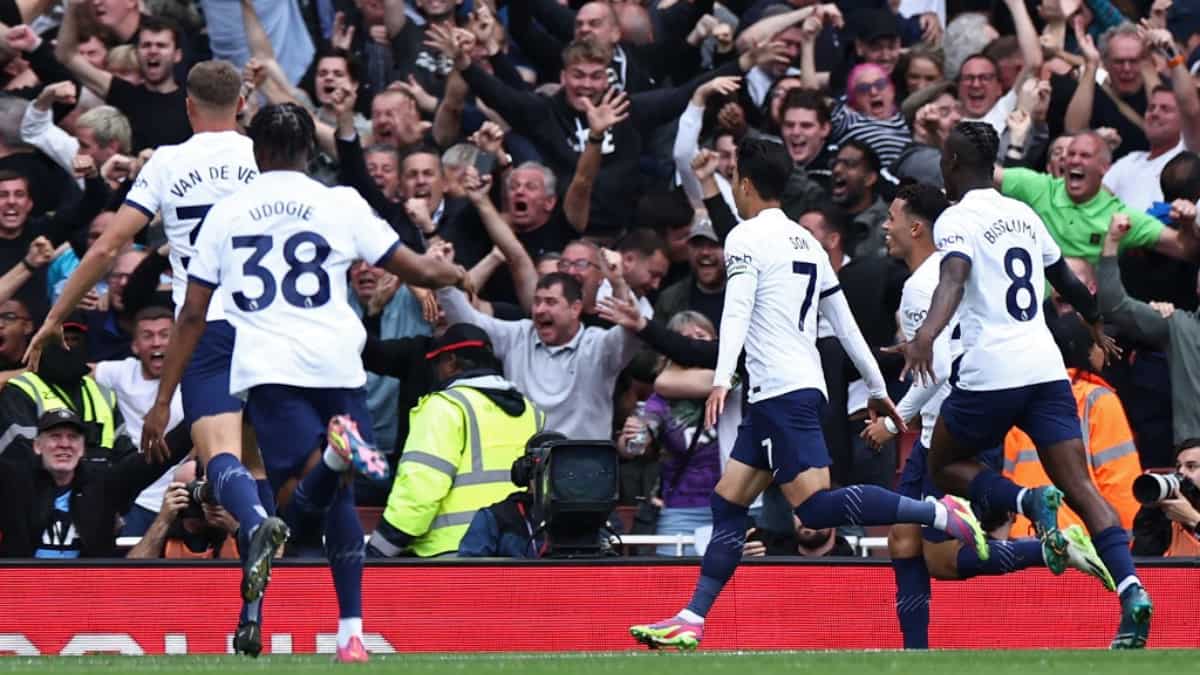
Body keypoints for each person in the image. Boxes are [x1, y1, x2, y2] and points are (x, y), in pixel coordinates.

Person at [627, 138, 986, 651]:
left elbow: (737, 309)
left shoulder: (747, 238)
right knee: (728, 502)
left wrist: (723, 375)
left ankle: (939, 514)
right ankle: (692, 616)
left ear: (744, 185)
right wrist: (879, 387)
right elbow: (843, 324)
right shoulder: (807, 243)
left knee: (815, 510)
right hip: (792, 388)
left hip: (778, 390)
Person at [142, 102, 469, 663]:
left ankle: (336, 463)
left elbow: (194, 314)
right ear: (308, 154)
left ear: (257, 152)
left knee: (293, 507)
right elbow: (413, 267)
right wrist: (452, 272)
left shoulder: (226, 213)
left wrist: (165, 396)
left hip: (270, 368)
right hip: (339, 361)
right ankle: (351, 633)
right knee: (333, 493)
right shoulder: (339, 202)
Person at [22, 60, 271, 657]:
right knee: (265, 476)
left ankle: (256, 586)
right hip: (277, 328)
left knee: (224, 467)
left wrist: (56, 315)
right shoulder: (264, 155)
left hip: (210, 328)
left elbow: (110, 245)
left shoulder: (165, 162)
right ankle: (266, 613)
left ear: (188, 106)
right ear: (240, 103)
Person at [892, 121, 1152, 649]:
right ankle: (1131, 591)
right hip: (1044, 366)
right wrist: (1096, 325)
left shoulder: (957, 219)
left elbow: (954, 277)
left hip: (991, 370)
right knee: (1083, 488)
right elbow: (1066, 281)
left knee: (943, 464)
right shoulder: (1023, 214)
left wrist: (925, 335)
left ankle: (1029, 501)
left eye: (945, 157)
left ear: (955, 164)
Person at [863, 182, 1112, 650]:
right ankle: (914, 653)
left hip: (949, 431)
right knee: (902, 540)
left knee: (940, 559)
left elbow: (943, 366)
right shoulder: (946, 272)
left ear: (916, 227)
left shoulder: (925, 288)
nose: (885, 226)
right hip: (940, 431)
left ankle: (1048, 550)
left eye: (892, 218)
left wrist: (894, 419)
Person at [368, 324, 544, 557]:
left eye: (437, 363)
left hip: (453, 555)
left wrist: (380, 548)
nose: (435, 372)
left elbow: (420, 489)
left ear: (450, 362)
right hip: (520, 552)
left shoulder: (445, 408)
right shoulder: (531, 412)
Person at [0, 408, 183, 558]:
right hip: (21, 593)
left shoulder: (104, 484)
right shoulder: (14, 481)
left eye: (73, 437)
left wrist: (199, 415)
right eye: (55, 436)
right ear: (37, 446)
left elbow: (159, 457)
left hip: (88, 594)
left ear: (83, 449)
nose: (64, 444)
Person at [1131, 440, 1200, 556]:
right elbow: (1143, 562)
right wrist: (1150, 514)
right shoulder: (1172, 517)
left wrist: (1193, 519)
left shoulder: (1186, 515)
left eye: (1191, 466)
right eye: (1178, 467)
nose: (1181, 472)